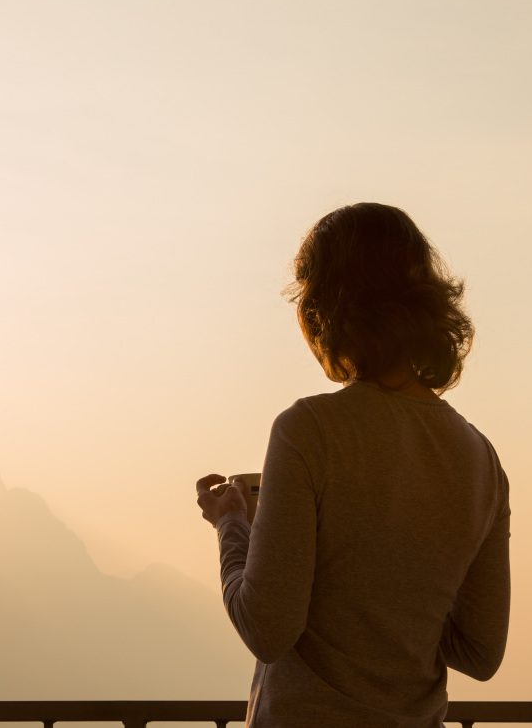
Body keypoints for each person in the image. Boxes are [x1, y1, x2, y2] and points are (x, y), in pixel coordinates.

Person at [196, 203, 510, 727]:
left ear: (325, 307)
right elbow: (479, 653)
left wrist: (231, 524)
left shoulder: (309, 430)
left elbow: (268, 629)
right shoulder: (479, 458)